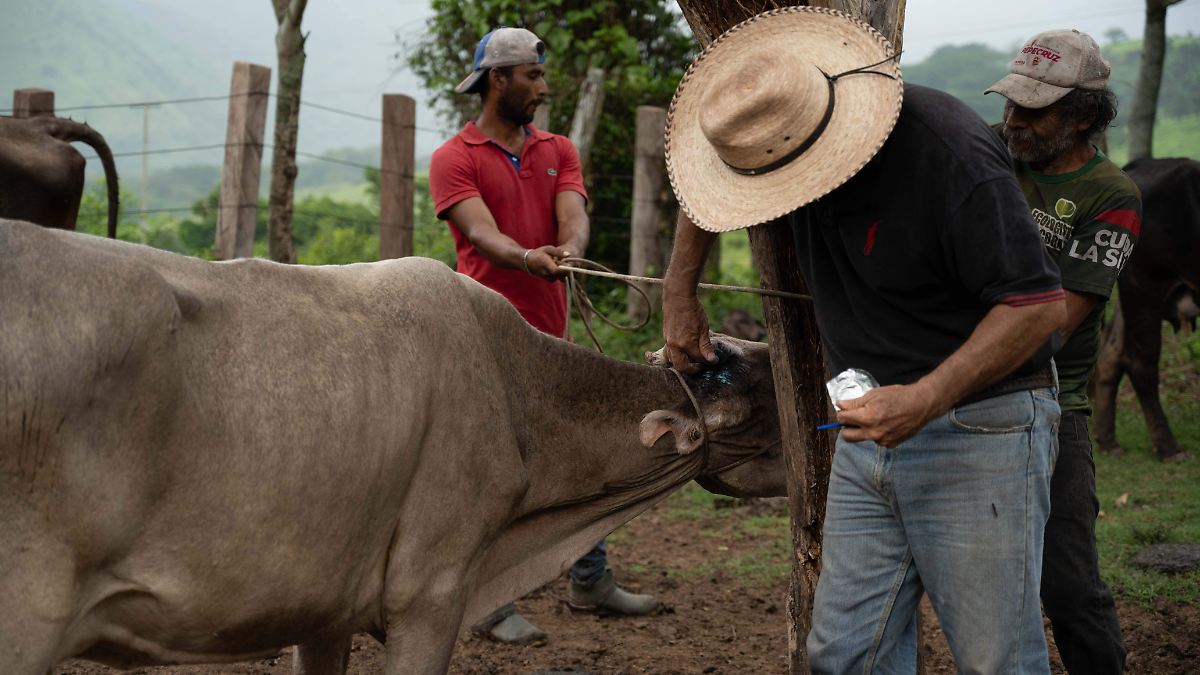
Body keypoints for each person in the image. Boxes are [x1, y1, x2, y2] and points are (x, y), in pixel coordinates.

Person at [657, 8, 1066, 674]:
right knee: (845, 655)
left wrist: (925, 398)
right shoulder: (770, 133)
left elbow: (1036, 307)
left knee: (996, 661)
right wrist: (680, 290)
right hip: (866, 430)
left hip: (979, 427)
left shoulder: (949, 154)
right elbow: (704, 183)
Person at [428, 26, 658, 645]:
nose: (543, 87)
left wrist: (570, 250)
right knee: (493, 469)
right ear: (497, 79)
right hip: (485, 340)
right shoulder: (454, 157)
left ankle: (590, 580)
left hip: (551, 335)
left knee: (580, 452)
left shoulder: (558, 149)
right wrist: (529, 258)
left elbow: (573, 216)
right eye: (532, 75)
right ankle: (488, 604)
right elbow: (481, 236)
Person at [985, 29, 1140, 674]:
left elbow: (1056, 325)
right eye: (1010, 103)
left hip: (1050, 403)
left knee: (1070, 586)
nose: (1013, 121)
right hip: (955, 387)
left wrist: (939, 361)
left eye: (1034, 110)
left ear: (1081, 117)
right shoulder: (990, 150)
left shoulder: (1112, 194)